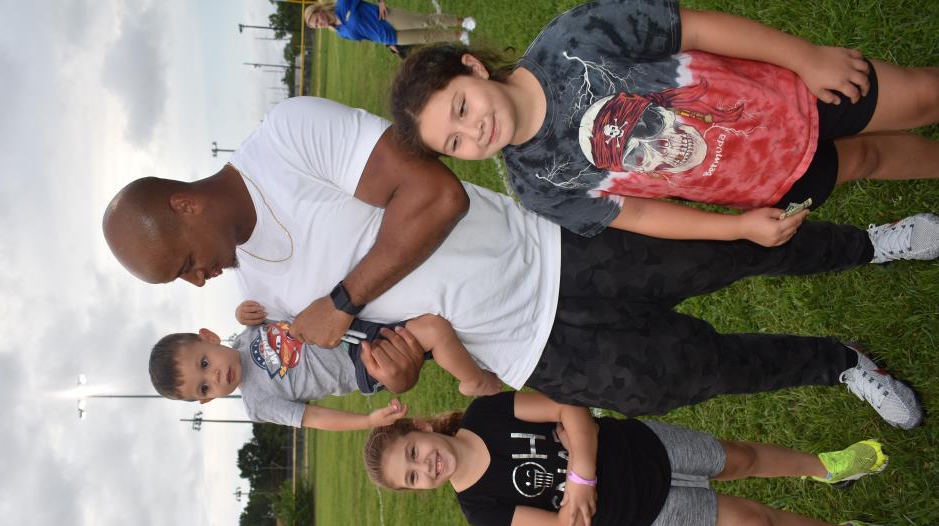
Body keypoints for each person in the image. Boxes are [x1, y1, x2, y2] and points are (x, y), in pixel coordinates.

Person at [104, 96, 925, 426]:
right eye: (184, 281)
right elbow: (391, 350)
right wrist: (397, 368)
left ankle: (875, 244)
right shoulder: (265, 297)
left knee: (731, 254)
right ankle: (839, 362)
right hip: (531, 351)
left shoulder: (285, 140)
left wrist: (344, 297)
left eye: (183, 262)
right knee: (695, 373)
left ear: (184, 205)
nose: (198, 279)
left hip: (560, 250)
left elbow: (436, 196)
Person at [390, 0, 939, 245]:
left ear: (473, 67)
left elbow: (693, 29)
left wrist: (806, 57)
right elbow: (639, 213)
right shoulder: (537, 185)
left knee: (921, 97)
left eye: (461, 108)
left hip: (790, 94)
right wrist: (738, 228)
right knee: (867, 160)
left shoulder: (573, 38)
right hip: (763, 181)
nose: (474, 132)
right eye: (454, 142)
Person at [363, 391, 915, 526]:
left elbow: (570, 407)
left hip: (643, 447)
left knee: (740, 458)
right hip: (640, 512)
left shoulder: (487, 413)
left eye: (413, 452)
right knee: (754, 525)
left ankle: (825, 467)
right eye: (412, 478)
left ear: (420, 428)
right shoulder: (479, 509)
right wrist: (577, 471)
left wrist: (580, 477)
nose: (425, 467)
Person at [148, 302, 500, 430]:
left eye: (204, 362)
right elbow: (313, 418)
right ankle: (475, 382)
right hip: (362, 363)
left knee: (436, 325)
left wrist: (243, 312)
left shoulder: (249, 329)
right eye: (205, 386)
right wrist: (367, 421)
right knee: (433, 330)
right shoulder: (257, 403)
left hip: (353, 325)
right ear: (208, 399)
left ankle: (486, 347)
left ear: (209, 337)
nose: (214, 376)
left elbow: (279, 300)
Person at [304, 1, 474, 49]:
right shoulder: (341, 33)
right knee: (426, 37)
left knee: (425, 21)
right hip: (390, 37)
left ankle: (463, 21)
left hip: (387, 18)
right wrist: (387, 44)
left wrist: (381, 2)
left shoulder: (342, 4)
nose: (320, 24)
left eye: (317, 20)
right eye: (317, 26)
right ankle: (460, 35)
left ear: (319, 10)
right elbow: (367, 36)